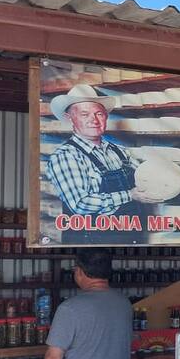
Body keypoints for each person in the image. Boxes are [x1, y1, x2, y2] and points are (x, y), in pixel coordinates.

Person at [45, 83, 152, 244]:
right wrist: (131, 195)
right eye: (84, 114)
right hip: (92, 246)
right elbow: (81, 203)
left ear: (106, 117)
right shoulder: (65, 156)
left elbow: (145, 179)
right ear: (70, 118)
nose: (93, 120)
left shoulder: (119, 151)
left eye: (99, 114)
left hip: (131, 239)